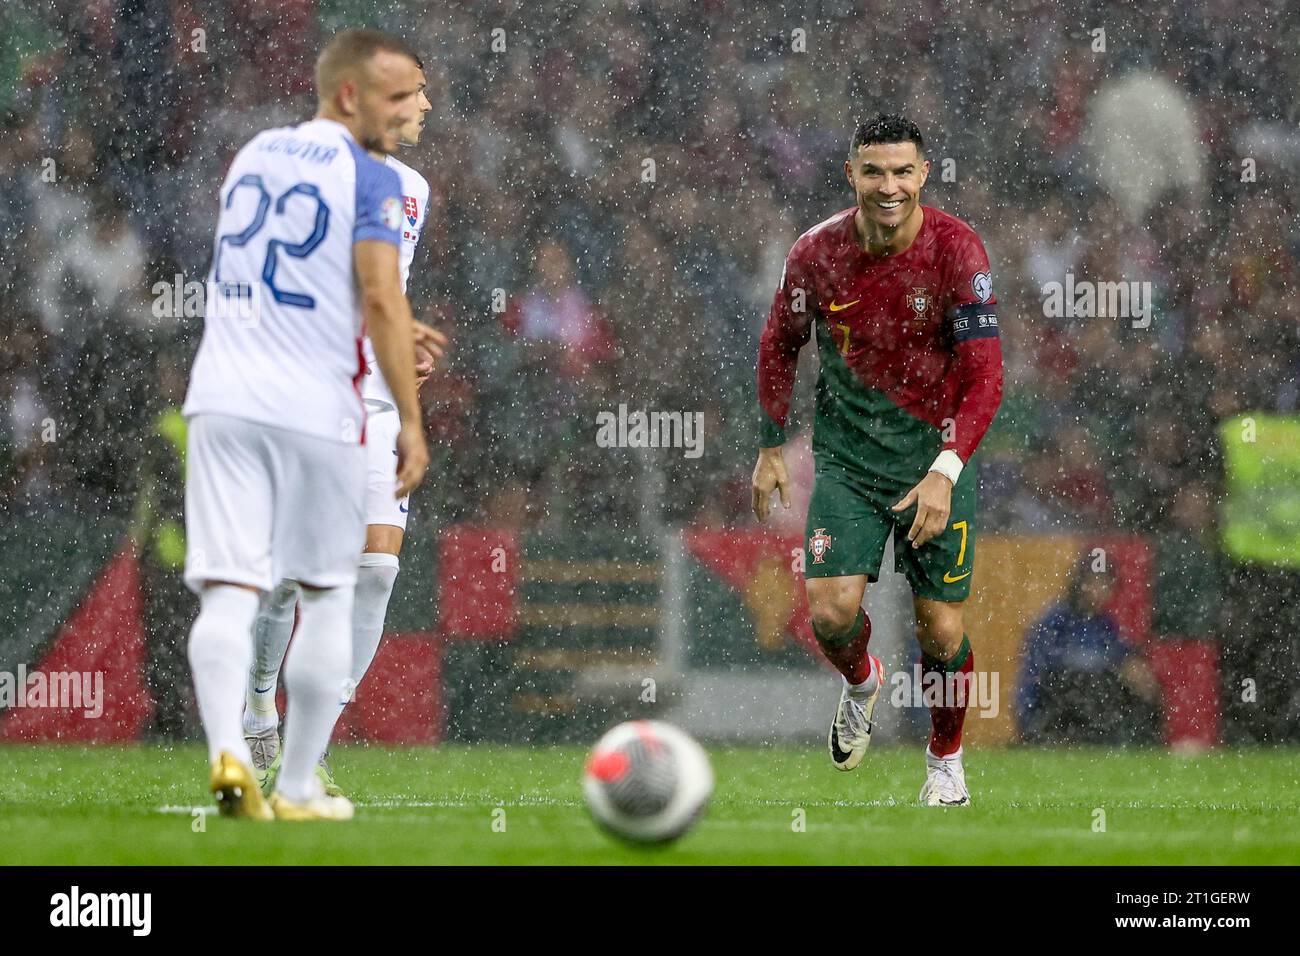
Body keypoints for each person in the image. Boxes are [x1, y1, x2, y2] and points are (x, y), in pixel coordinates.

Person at [183, 28, 435, 821]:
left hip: (224, 389)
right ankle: (289, 776)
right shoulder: (377, 183)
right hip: (323, 396)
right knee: (318, 591)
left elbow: (289, 273)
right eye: (400, 95)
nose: (415, 108)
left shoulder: (253, 154)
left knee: (242, 586)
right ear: (351, 94)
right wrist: (411, 400)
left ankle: (238, 749)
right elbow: (376, 293)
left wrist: (391, 326)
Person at [752, 115, 1003, 806]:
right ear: (851, 175)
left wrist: (946, 471)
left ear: (924, 175)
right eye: (874, 172)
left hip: (936, 461)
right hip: (848, 464)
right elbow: (780, 343)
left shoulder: (959, 252)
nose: (888, 186)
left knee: (942, 629)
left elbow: (986, 378)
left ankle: (945, 764)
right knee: (830, 613)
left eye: (901, 172)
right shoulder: (815, 253)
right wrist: (771, 445)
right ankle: (862, 680)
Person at [1015, 559, 1160, 745]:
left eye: (1105, 584)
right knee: (1085, 683)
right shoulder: (1056, 620)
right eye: (1095, 582)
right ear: (1081, 584)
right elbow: (1039, 673)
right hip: (1058, 712)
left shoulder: (1104, 624)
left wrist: (1132, 666)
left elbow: (1122, 656)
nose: (1100, 590)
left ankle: (1141, 743)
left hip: (1091, 710)